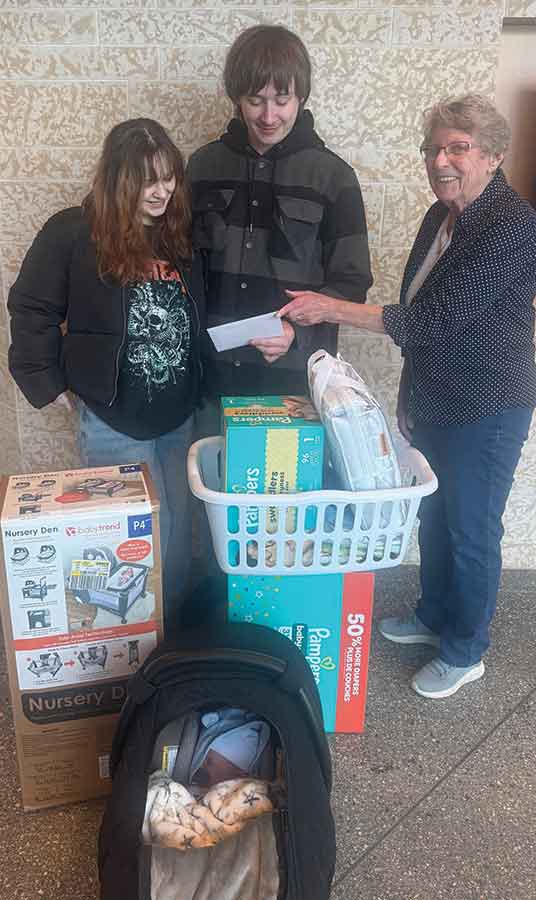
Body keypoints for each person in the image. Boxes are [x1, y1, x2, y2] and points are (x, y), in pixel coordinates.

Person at [278, 94, 536, 700]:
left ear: (494, 155)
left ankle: (466, 648)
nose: (440, 160)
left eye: (457, 148)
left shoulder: (514, 226)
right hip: (437, 397)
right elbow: (422, 316)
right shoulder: (439, 217)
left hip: (487, 405)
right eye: (432, 148)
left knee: (472, 529)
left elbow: (436, 322)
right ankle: (432, 616)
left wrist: (330, 307)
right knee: (434, 516)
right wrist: (408, 399)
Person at [8, 118, 206, 635]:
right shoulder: (72, 231)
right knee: (138, 542)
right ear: (119, 180)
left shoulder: (178, 233)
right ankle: (138, 645)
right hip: (113, 418)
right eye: (147, 181)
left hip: (178, 413)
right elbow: (31, 306)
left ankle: (176, 638)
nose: (162, 191)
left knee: (180, 533)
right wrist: (44, 380)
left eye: (169, 178)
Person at [186, 23, 372, 407]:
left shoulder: (334, 177)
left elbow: (351, 283)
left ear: (300, 97)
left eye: (282, 99)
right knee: (205, 469)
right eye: (256, 100)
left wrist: (295, 334)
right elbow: (181, 267)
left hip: (296, 384)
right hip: (209, 379)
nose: (269, 115)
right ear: (237, 98)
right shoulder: (202, 167)